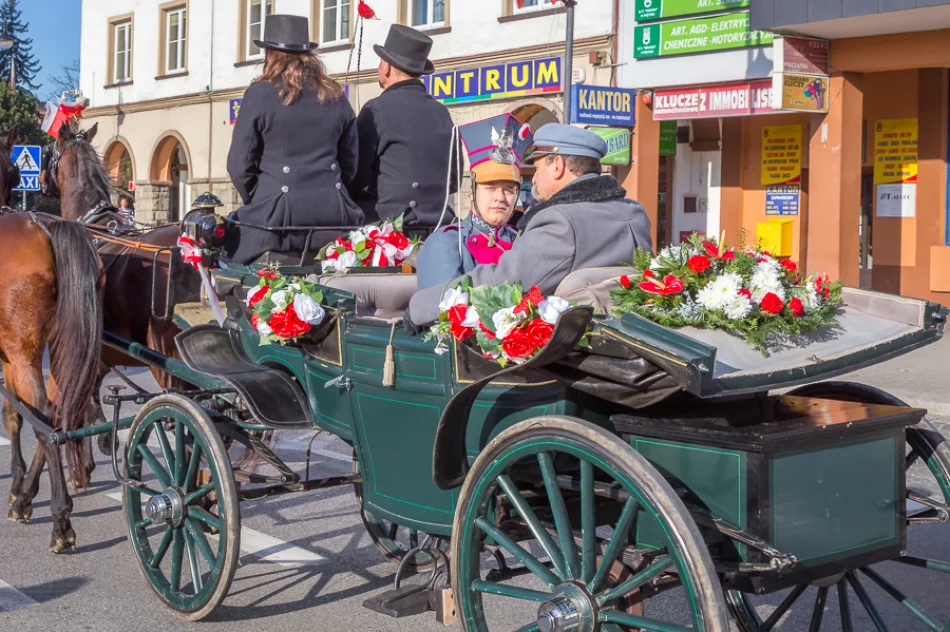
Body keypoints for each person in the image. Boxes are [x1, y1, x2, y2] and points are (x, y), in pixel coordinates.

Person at [406, 123, 653, 327]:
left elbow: (507, 283)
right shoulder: (634, 212)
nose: (533, 178)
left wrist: (420, 306)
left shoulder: (560, 221)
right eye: (490, 188)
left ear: (557, 166)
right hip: (623, 338)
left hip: (565, 354)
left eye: (536, 167)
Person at [225, 14, 363, 265]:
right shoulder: (335, 94)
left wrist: (262, 197)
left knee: (226, 254)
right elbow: (351, 163)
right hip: (333, 217)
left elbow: (239, 165)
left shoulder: (259, 94)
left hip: (277, 221)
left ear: (270, 54)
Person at [349, 25, 458, 228]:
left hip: (389, 227)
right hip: (439, 223)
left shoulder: (377, 109)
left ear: (386, 67)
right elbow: (455, 178)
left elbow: (355, 174)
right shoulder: (442, 112)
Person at [416, 114, 531, 289]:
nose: (500, 197)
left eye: (508, 190)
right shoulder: (445, 242)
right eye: (490, 188)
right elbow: (442, 302)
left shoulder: (523, 242)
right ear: (472, 192)